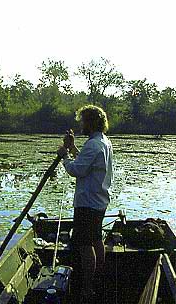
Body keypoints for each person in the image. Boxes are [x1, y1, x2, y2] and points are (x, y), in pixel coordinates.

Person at [57, 105, 113, 303]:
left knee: (84, 245)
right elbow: (86, 162)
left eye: (82, 121)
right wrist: (72, 148)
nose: (80, 124)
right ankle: (98, 279)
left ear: (90, 122)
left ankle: (87, 289)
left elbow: (77, 170)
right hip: (99, 201)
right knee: (96, 239)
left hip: (87, 203)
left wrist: (64, 156)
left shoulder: (93, 144)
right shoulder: (103, 142)